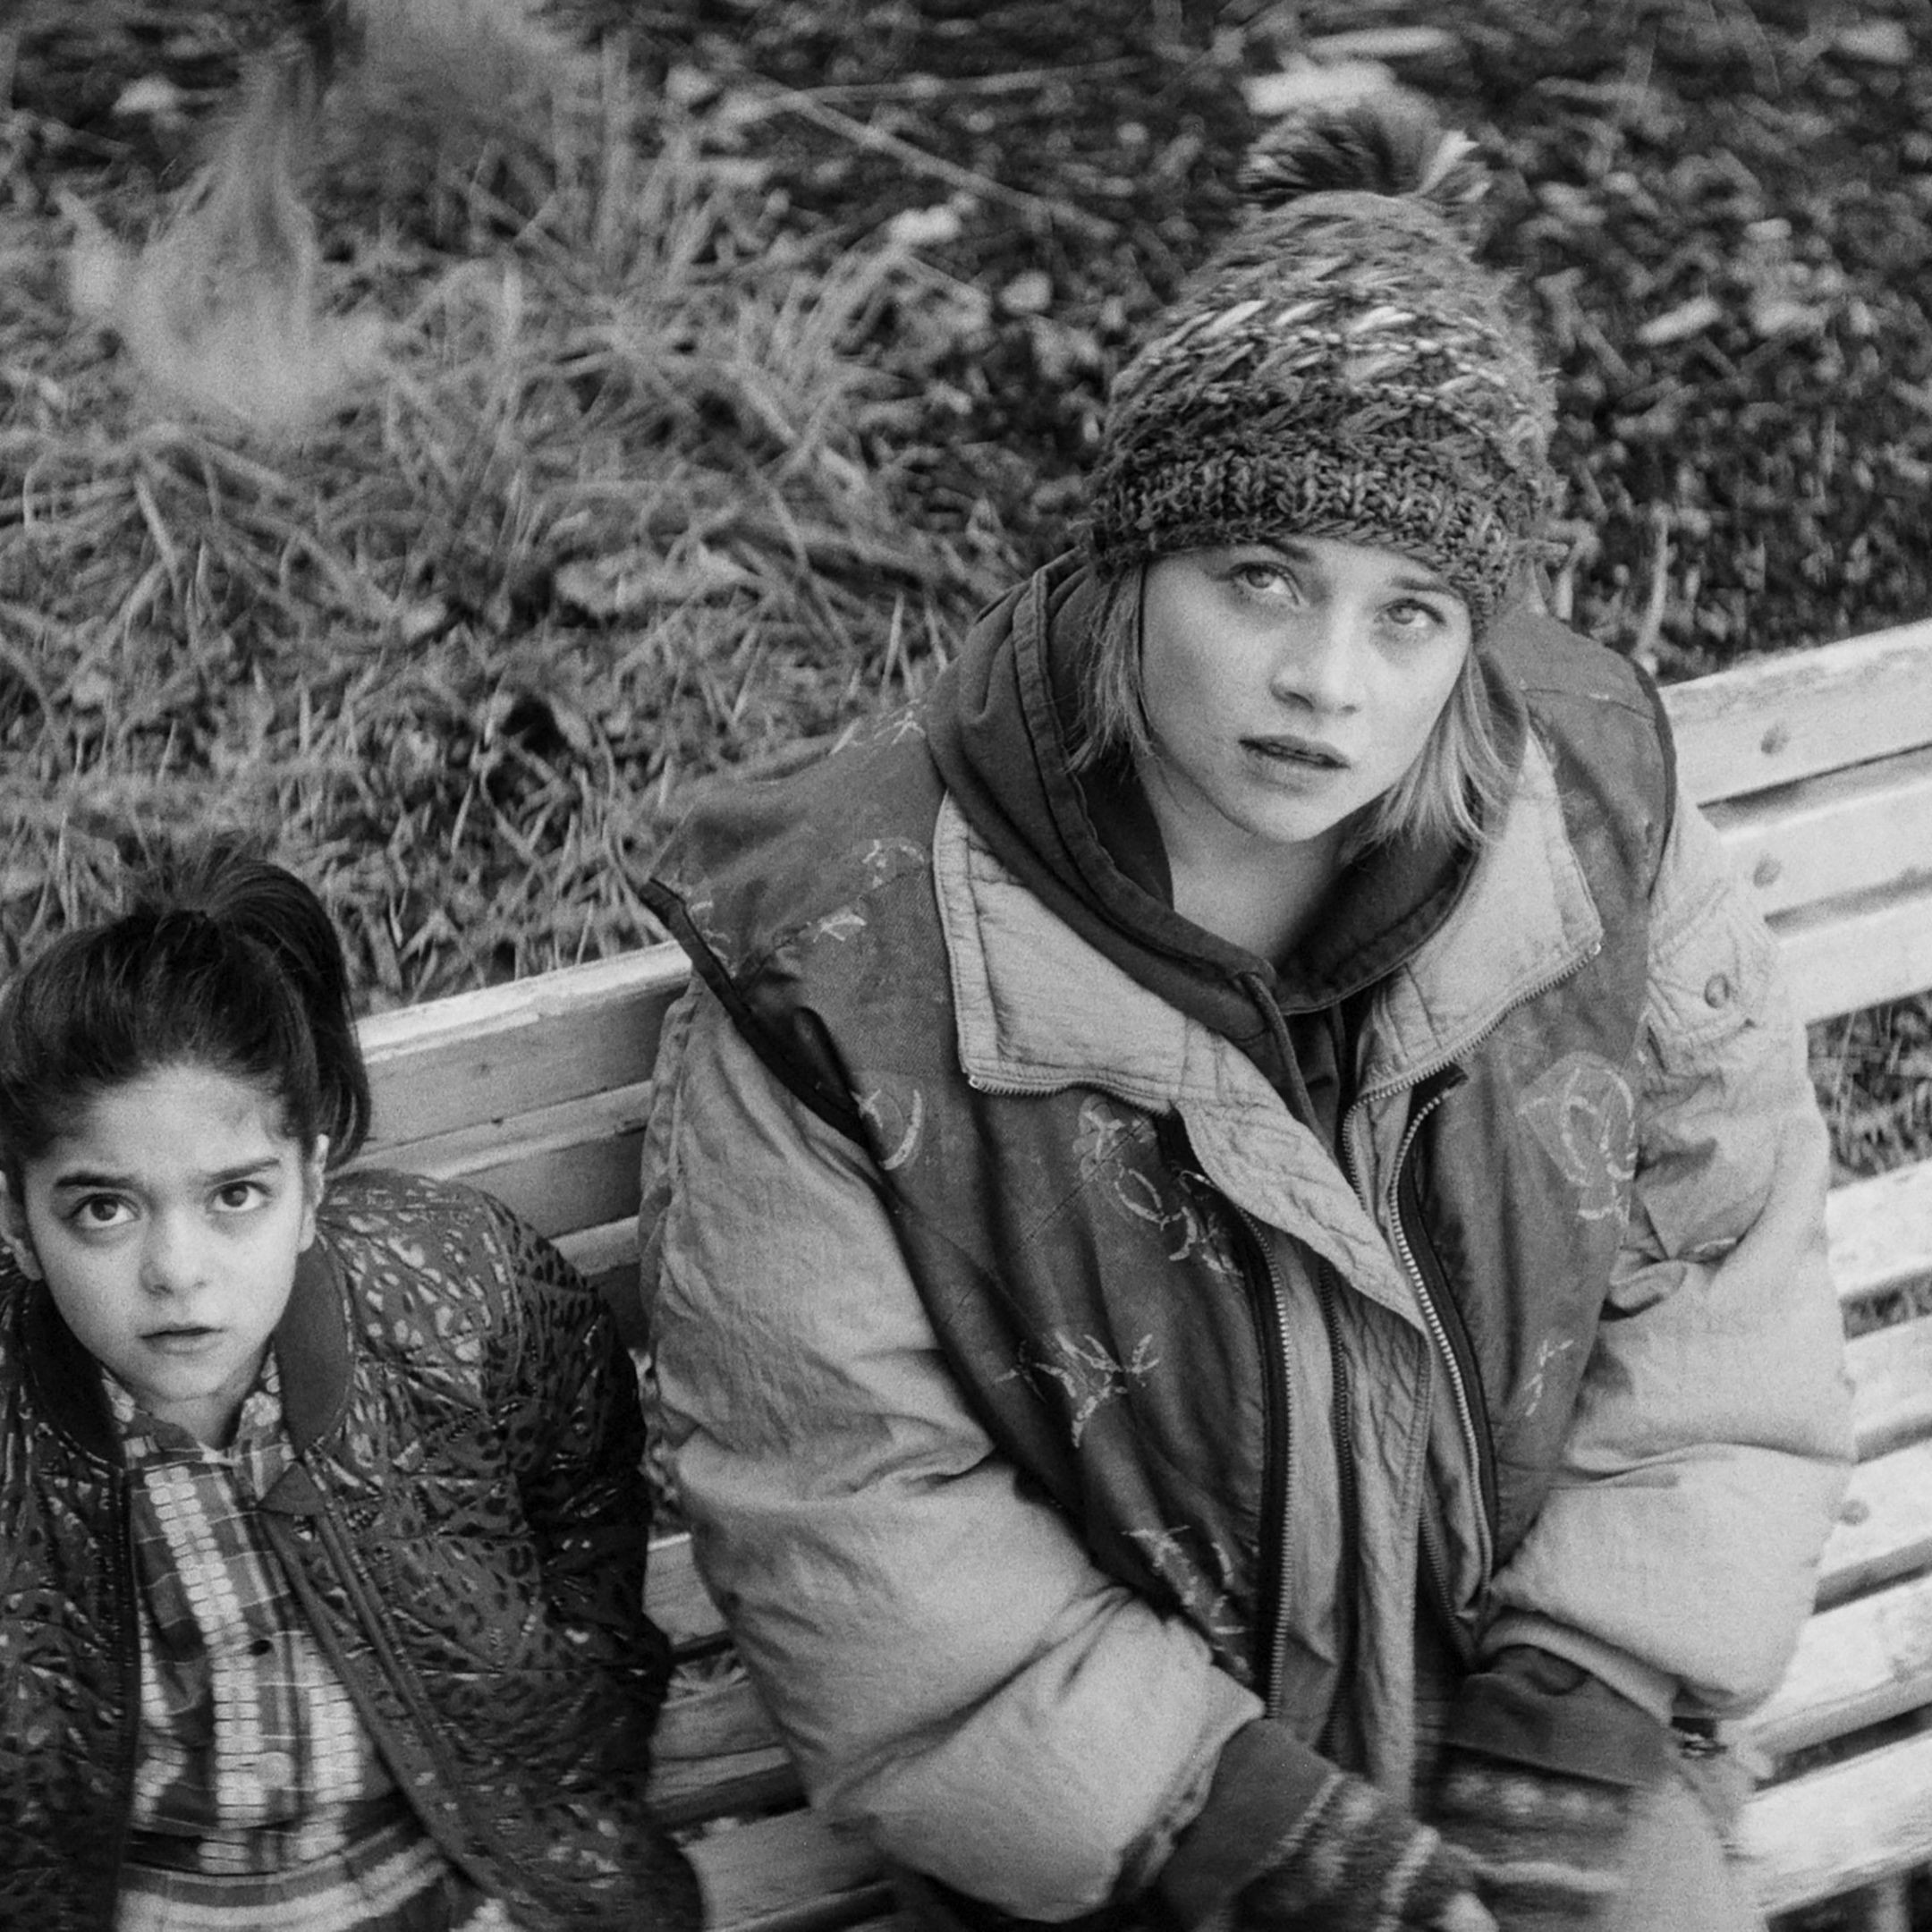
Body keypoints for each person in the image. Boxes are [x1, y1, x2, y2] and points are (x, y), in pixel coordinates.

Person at [635, 98, 1850, 1932]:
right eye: (1261, 579)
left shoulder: (1596, 820)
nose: (1325, 685)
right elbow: (851, 1502)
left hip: (1529, 1736)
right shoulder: (844, 960)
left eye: (1409, 613)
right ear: (1133, 560)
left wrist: (1585, 1695)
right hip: (1139, 1830)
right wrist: (1252, 1839)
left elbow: (1724, 1271)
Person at [0, 851, 699, 1932]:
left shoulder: (464, 1289)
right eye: (104, 1210)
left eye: (236, 1196)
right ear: (17, 1221)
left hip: (464, 1884)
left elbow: (586, 1513)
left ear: (310, 1187)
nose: (178, 1272)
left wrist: (567, 1779)